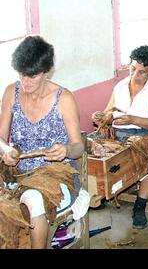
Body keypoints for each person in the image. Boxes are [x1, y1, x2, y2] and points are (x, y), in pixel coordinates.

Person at [0, 36, 85, 249]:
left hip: (57, 174)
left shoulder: (64, 99)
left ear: (46, 71)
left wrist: (65, 150)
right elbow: (1, 138)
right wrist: (6, 149)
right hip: (19, 172)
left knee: (33, 199)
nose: (25, 82)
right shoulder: (12, 92)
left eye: (33, 76)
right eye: (22, 75)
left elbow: (78, 148)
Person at [92, 45, 148, 230]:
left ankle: (140, 205)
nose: (135, 75)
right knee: (92, 145)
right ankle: (102, 192)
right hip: (121, 133)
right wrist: (101, 117)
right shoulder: (120, 86)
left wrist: (133, 119)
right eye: (133, 69)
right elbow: (109, 112)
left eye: (142, 72)